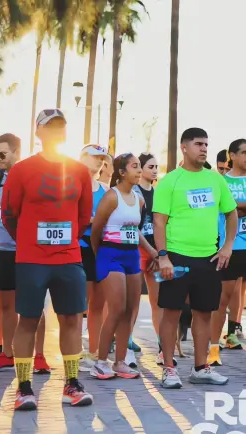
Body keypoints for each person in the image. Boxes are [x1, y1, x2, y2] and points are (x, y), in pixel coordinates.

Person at [3, 109, 94, 410]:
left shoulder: (79, 171)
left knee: (71, 319)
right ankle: (24, 387)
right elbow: (9, 214)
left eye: (61, 127)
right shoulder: (21, 170)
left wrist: (63, 242)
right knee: (28, 320)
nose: (56, 132)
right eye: (50, 128)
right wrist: (30, 241)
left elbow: (83, 216)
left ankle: (72, 384)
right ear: (38, 133)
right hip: (31, 258)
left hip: (68, 257)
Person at [153, 127, 237, 389]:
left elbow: (231, 214)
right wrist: (163, 256)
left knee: (204, 313)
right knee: (172, 313)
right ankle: (168, 368)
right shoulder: (170, 181)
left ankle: (201, 368)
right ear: (184, 147)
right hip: (177, 256)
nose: (203, 149)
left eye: (206, 144)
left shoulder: (216, 180)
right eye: (198, 144)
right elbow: (159, 221)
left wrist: (227, 247)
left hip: (209, 257)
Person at [0, 134, 50, 374]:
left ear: (17, 152)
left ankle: (39, 356)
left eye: (3, 154)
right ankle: (6, 354)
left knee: (33, 305)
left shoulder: (32, 174)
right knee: (5, 304)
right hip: (3, 249)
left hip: (29, 250)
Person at [90, 153, 154, 380]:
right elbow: (96, 229)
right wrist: (101, 255)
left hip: (132, 256)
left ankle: (120, 361)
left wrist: (153, 252)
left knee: (129, 311)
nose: (139, 171)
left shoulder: (139, 199)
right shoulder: (111, 197)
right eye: (134, 167)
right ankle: (100, 361)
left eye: (140, 167)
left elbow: (135, 230)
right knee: (116, 309)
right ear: (122, 172)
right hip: (110, 254)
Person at [209, 139, 246, 365]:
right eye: (244, 153)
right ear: (232, 155)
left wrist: (237, 206)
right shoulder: (221, 180)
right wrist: (244, 206)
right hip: (229, 247)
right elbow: (222, 208)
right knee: (221, 300)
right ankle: (213, 349)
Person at [77, 144, 112, 372]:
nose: (99, 162)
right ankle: (76, 352)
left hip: (100, 248)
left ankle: (95, 352)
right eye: (95, 157)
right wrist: (93, 221)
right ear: (82, 158)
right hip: (78, 247)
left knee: (98, 304)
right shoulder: (72, 187)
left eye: (102, 158)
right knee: (79, 304)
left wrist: (95, 221)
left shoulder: (106, 190)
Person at [134, 153, 164, 363]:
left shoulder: (159, 192)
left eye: (156, 166)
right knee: (131, 302)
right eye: (150, 166)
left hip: (155, 252)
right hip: (136, 251)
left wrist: (159, 252)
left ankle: (163, 347)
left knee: (158, 302)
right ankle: (125, 345)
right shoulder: (134, 192)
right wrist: (150, 250)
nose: (154, 170)